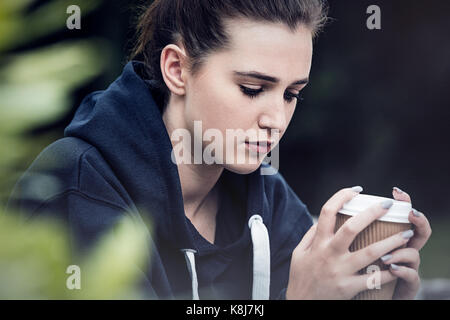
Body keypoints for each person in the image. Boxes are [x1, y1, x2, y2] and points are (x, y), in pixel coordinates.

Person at [6, 0, 431, 300]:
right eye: (252, 88)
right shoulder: (77, 189)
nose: (275, 120)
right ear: (177, 69)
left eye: (291, 94)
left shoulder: (266, 194)